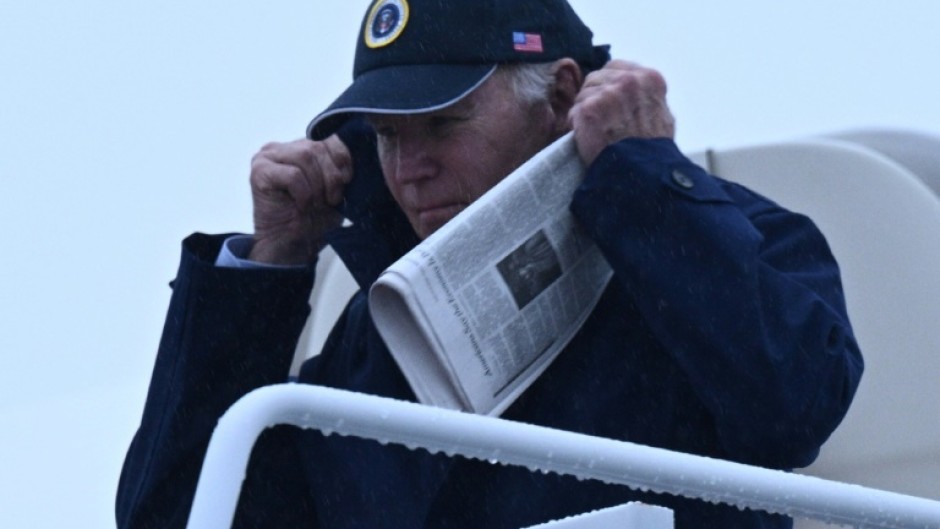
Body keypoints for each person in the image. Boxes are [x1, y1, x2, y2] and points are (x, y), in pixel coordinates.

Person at [116, 0, 864, 528]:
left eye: (443, 123)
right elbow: (182, 517)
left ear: (563, 93)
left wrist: (643, 183)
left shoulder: (736, 237)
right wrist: (271, 270)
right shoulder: (369, 339)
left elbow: (793, 406)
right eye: (385, 135)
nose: (409, 169)